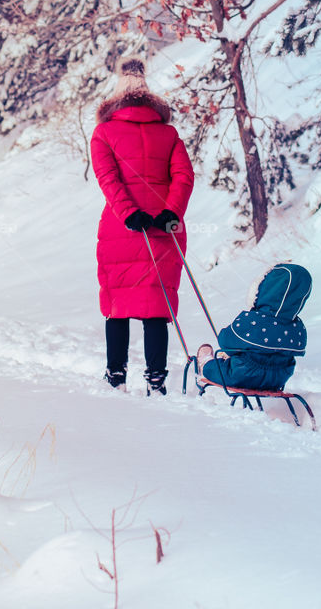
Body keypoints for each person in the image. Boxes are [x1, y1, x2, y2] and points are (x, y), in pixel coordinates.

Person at [90, 55, 194, 395]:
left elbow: (108, 179)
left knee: (117, 306)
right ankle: (156, 380)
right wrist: (171, 213)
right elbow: (184, 177)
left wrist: (128, 213)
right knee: (156, 306)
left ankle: (116, 377)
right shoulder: (168, 133)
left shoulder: (103, 133)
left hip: (123, 229)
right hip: (165, 230)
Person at [196, 262, 312, 392]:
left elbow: (224, 341)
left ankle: (205, 364)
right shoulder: (296, 327)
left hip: (242, 375)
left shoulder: (253, 320)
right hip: (279, 378)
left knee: (218, 368)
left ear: (264, 290)